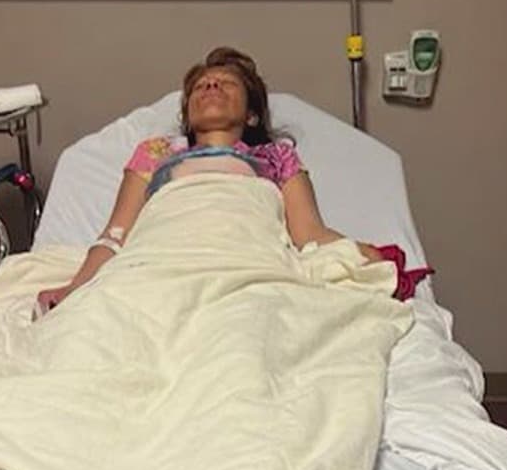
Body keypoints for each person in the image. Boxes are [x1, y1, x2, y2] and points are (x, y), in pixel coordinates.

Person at [36, 47, 382, 312]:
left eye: (226, 83)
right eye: (201, 86)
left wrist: (363, 254)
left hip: (247, 265)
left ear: (251, 115)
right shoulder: (155, 153)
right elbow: (115, 237)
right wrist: (75, 288)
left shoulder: (277, 158)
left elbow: (309, 234)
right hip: (158, 265)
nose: (211, 85)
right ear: (188, 116)